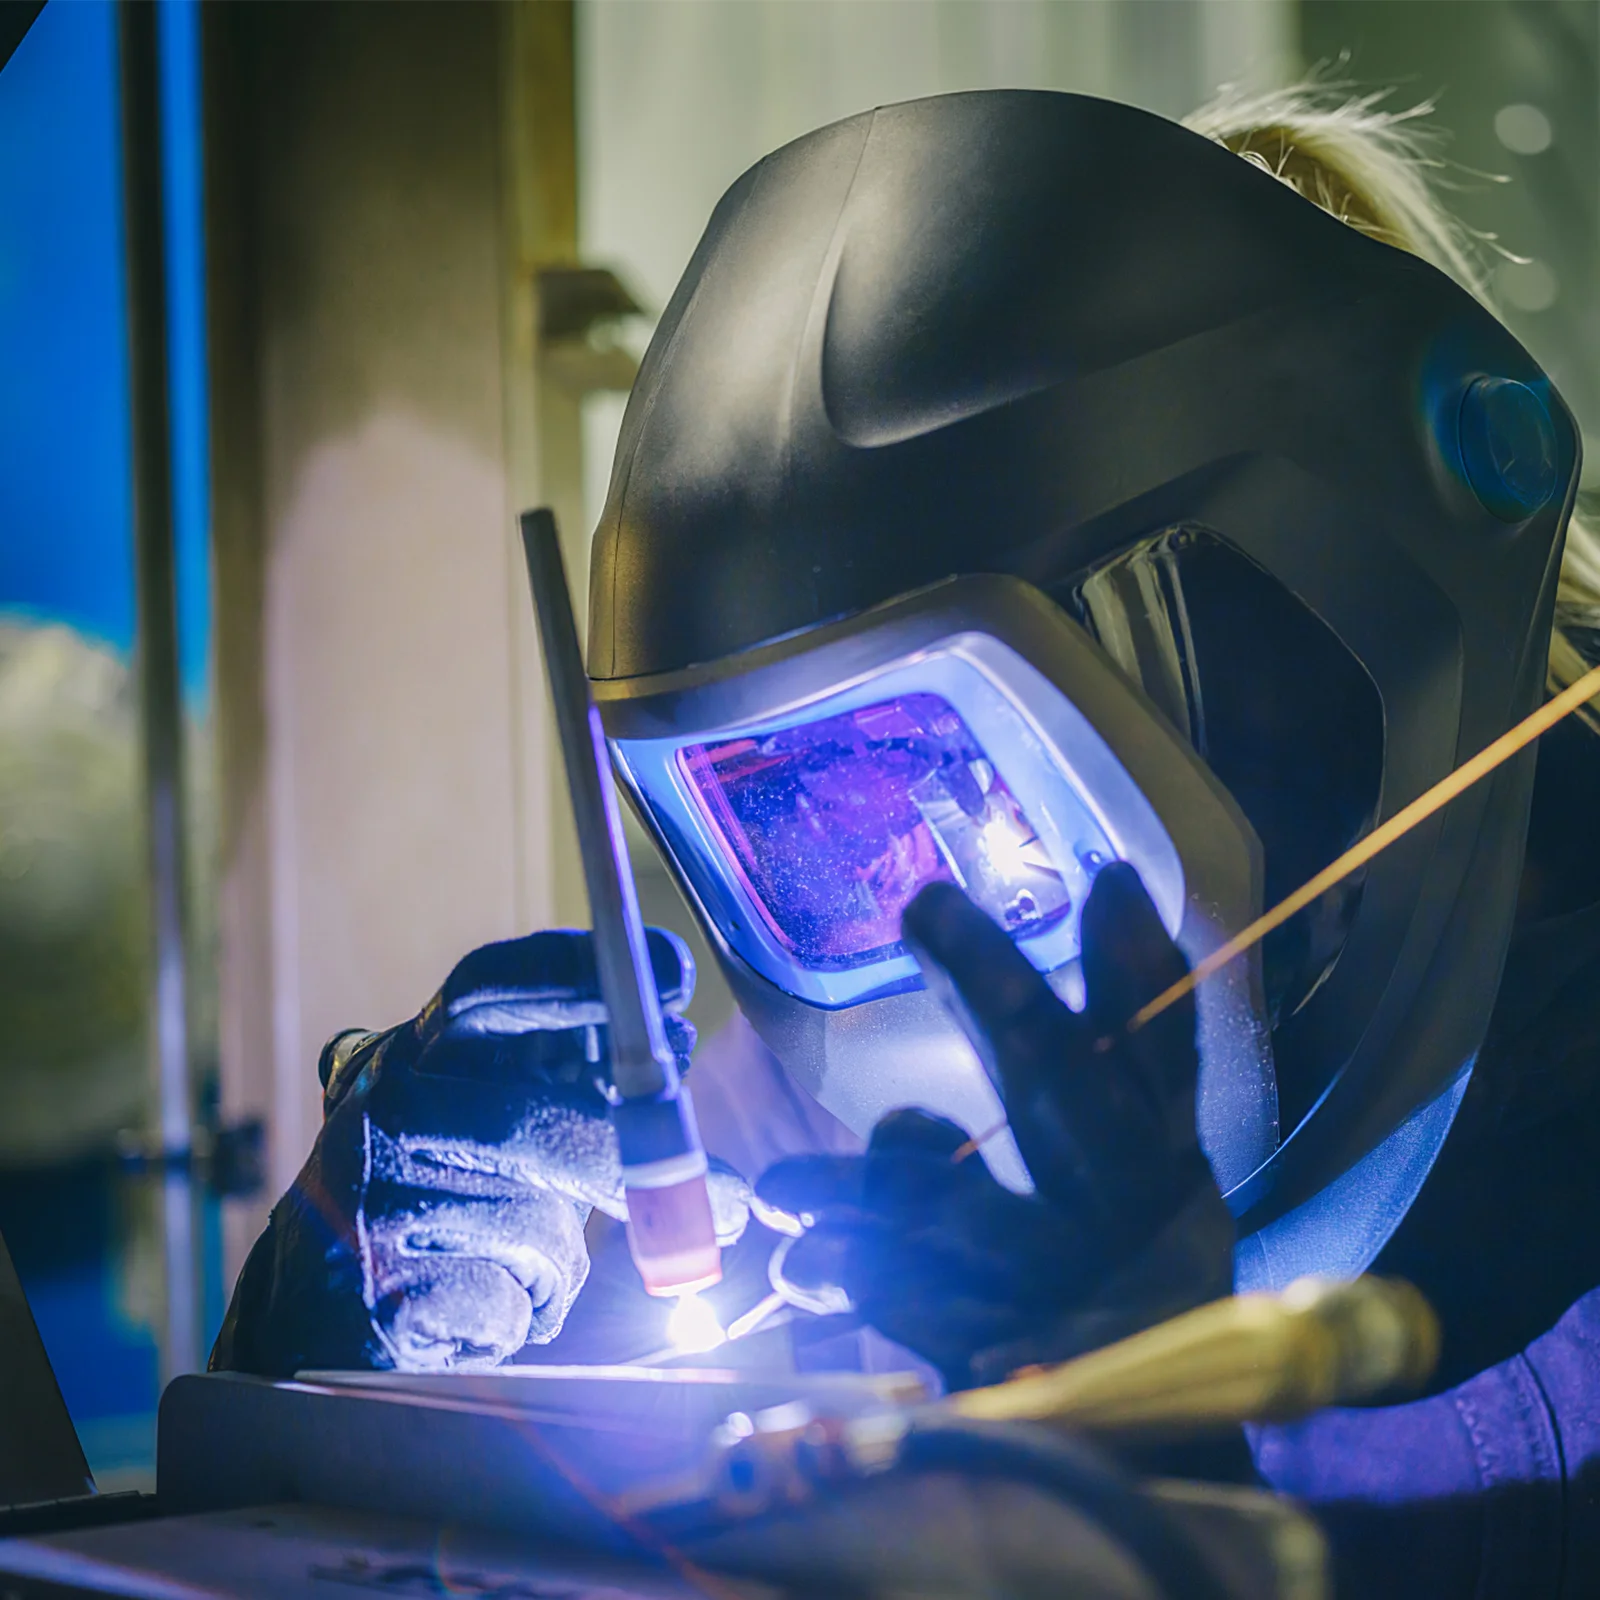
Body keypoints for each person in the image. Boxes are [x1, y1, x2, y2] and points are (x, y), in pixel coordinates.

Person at [214, 85, 1600, 1597]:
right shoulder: (791, 1139)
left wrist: (1132, 1491)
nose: (914, 908)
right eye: (808, 821)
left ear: (1285, 689)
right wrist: (344, 1290)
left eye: (966, 790)